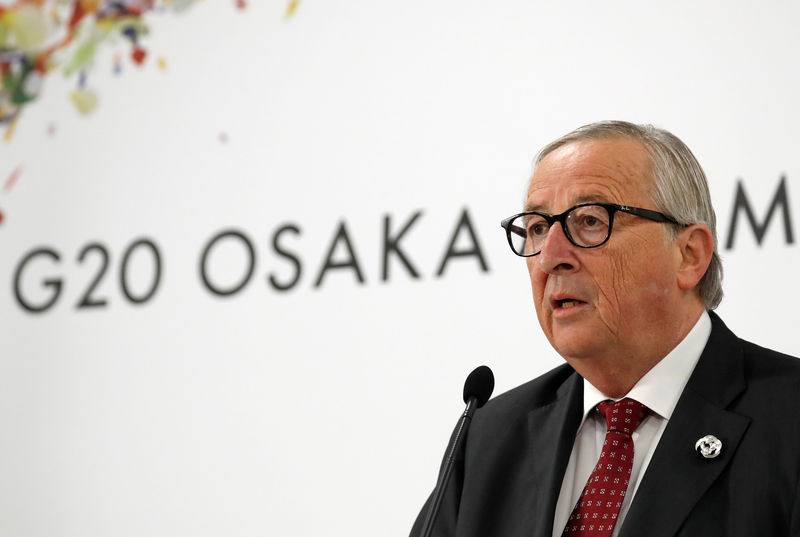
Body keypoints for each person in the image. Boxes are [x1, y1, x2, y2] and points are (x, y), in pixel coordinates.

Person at [410, 121, 800, 537]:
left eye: (591, 220)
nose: (550, 258)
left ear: (689, 255)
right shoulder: (490, 437)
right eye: (539, 228)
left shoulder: (789, 417)